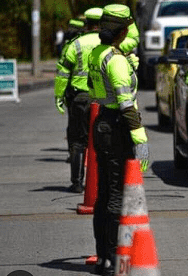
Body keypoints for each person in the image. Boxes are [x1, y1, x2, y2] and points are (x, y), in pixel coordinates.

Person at [88, 4, 149, 276]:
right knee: (115, 196)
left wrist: (127, 63)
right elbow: (127, 104)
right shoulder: (116, 60)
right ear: (123, 31)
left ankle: (103, 256)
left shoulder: (98, 54)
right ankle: (113, 258)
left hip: (101, 123)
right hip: (117, 128)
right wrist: (140, 137)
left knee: (103, 195)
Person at [54, 8, 103, 193]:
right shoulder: (110, 44)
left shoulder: (75, 44)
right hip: (104, 99)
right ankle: (102, 183)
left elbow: (63, 73)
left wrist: (59, 95)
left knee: (77, 142)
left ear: (87, 24)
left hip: (80, 98)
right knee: (104, 142)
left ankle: (77, 183)